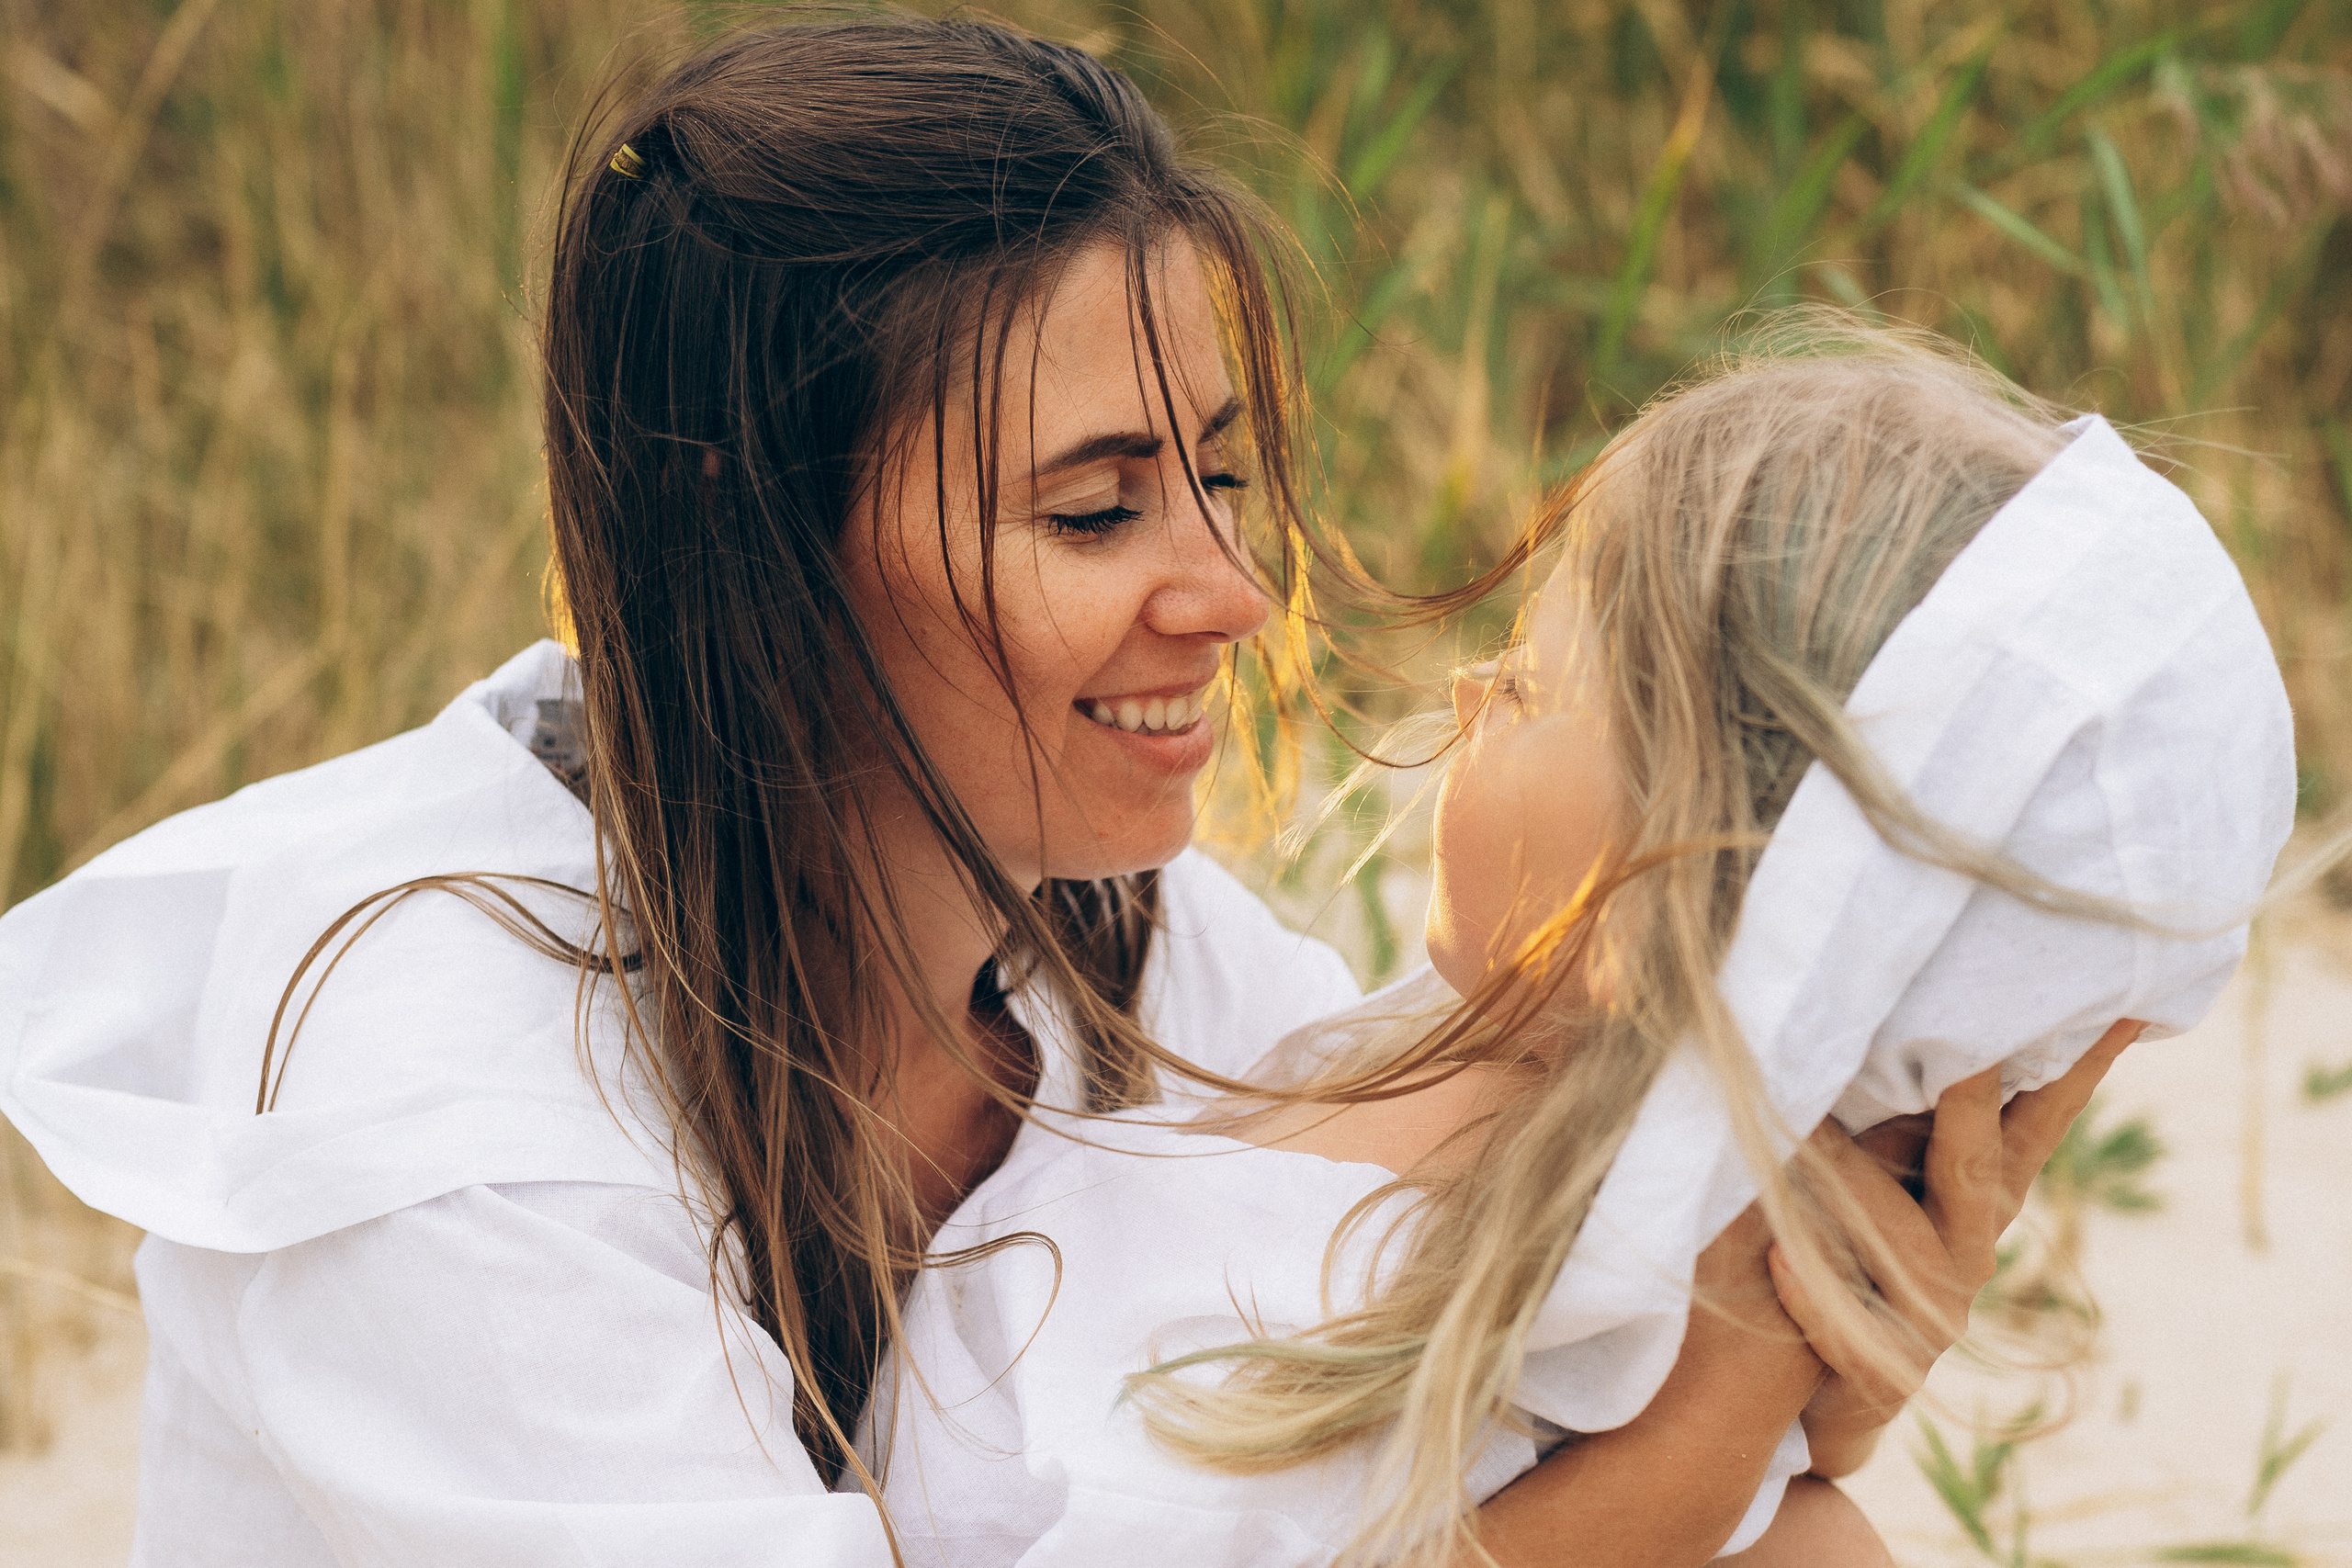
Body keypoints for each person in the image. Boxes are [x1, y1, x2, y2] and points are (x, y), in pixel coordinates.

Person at [0, 17, 2166, 1566]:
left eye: (1216, 471)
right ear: (755, 560)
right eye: (1095, 508)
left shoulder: (1118, 945)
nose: (1233, 591)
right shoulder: (442, 1112)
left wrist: (1795, 1336)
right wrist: (1697, 1426)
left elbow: (1391, 1382)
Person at [865, 333, 2295, 1567]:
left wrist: (1723, 1438)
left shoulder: (1316, 1265)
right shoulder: (1617, 1285)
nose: (1479, 684)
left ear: (1688, 882)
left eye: (1542, 681)